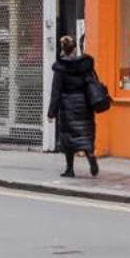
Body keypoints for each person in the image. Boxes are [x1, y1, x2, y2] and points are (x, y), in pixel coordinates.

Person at [46, 34, 100, 179]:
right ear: (75, 49)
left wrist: (51, 113)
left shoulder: (61, 67)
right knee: (86, 134)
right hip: (84, 105)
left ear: (63, 49)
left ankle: (70, 169)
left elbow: (56, 91)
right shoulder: (85, 65)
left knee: (69, 138)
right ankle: (91, 155)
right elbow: (93, 82)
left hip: (68, 106)